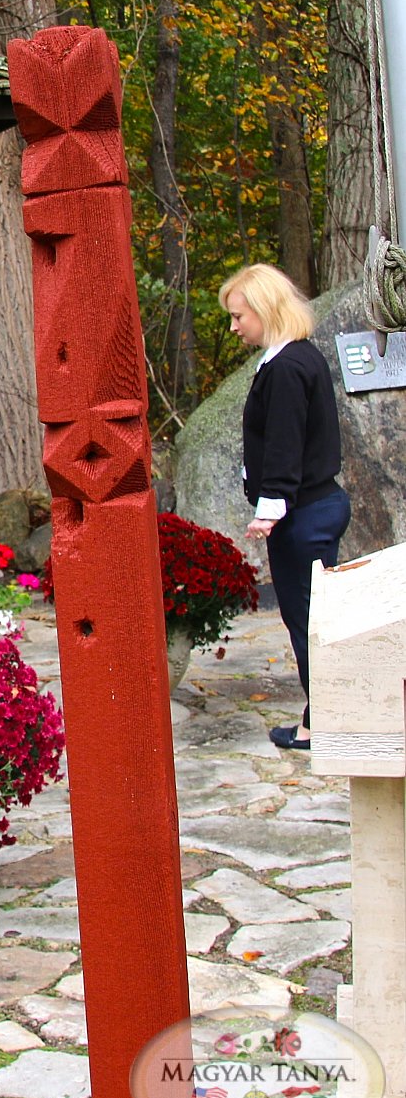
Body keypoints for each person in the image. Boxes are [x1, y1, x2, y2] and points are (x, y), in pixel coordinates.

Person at [220, 263, 351, 753]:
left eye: (239, 316)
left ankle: (327, 724)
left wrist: (271, 506)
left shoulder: (288, 368)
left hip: (304, 515)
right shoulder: (295, 358)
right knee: (315, 620)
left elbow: (284, 441)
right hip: (315, 506)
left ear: (265, 309)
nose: (234, 327)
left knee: (308, 624)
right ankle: (322, 716)